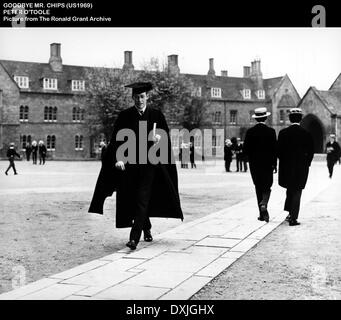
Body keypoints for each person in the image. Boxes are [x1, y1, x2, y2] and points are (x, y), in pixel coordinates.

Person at [89, 81, 183, 250]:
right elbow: (117, 140)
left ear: (147, 97)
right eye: (136, 97)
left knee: (142, 197)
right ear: (132, 98)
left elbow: (166, 139)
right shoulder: (125, 116)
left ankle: (134, 238)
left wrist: (159, 139)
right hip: (130, 165)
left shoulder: (156, 116)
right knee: (134, 198)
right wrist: (117, 159)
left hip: (149, 165)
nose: (139, 100)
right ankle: (146, 227)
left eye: (142, 96)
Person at [277, 108, 314, 226]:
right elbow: (311, 152)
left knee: (290, 189)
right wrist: (307, 163)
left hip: (287, 168)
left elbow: (279, 151)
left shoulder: (283, 133)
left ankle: (289, 212)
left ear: (289, 118)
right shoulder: (306, 133)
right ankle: (293, 218)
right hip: (300, 168)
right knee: (297, 191)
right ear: (301, 118)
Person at [243, 107, 277, 223]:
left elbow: (245, 150)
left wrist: (250, 160)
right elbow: (274, 150)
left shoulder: (250, 132)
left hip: (255, 165)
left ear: (256, 119)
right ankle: (264, 203)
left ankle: (261, 214)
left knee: (258, 187)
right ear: (266, 118)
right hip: (267, 165)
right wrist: (274, 164)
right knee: (267, 187)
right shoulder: (271, 132)